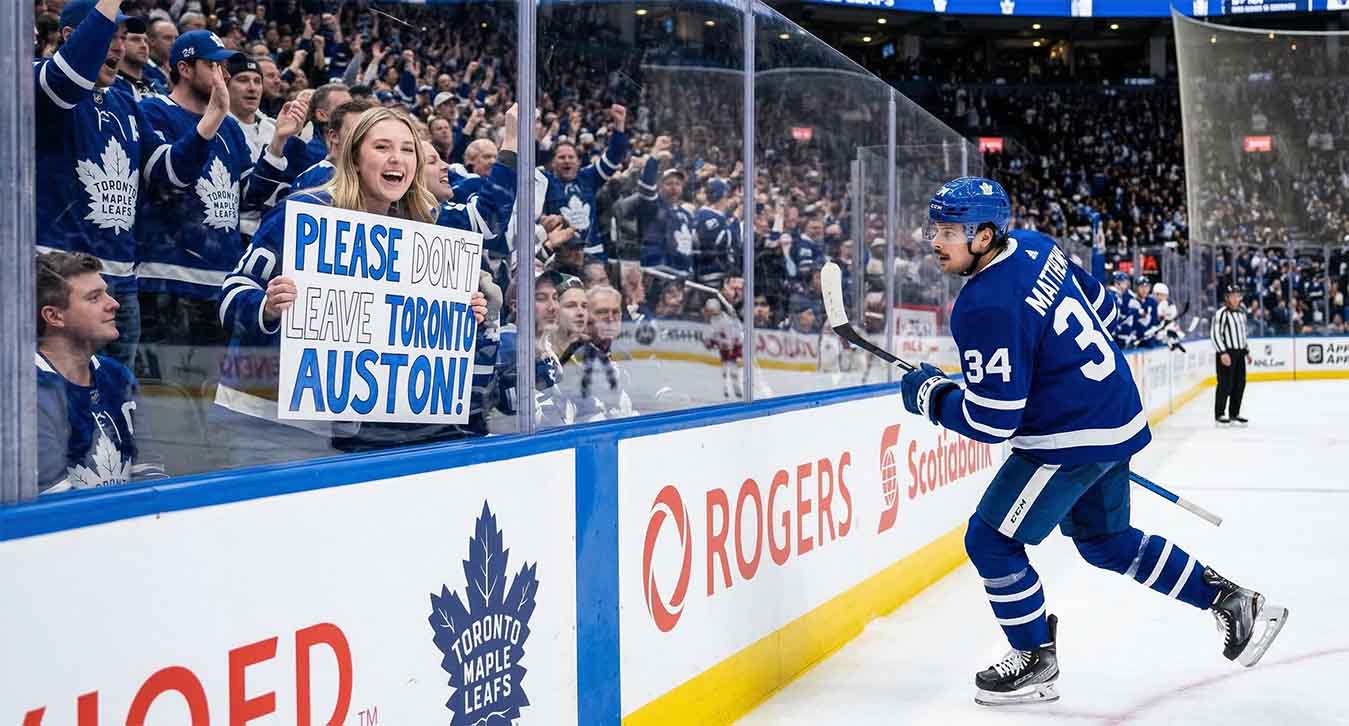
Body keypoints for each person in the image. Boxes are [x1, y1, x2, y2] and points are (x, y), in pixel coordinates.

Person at [898, 177, 1286, 707]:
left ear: (984, 236)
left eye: (948, 231)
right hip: (1116, 414)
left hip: (1069, 436)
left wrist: (932, 397)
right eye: (934, 229)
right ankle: (1232, 600)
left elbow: (993, 420)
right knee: (1106, 542)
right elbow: (1104, 308)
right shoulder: (1037, 245)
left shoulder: (981, 304)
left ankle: (1034, 659)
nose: (935, 242)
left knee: (989, 541)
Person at [216, 107, 489, 466]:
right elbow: (232, 291)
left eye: (408, 149)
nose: (397, 158)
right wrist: (266, 306)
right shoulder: (304, 211)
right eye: (382, 147)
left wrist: (461, 312)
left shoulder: (419, 232)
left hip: (347, 436)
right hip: (266, 422)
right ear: (356, 157)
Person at [35, 0, 217, 368]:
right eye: (110, 36)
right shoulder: (42, 81)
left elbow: (168, 174)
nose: (119, 47)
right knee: (60, 395)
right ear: (71, 36)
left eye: (123, 37)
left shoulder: (125, 101)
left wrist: (210, 121)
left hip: (120, 281)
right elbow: (69, 79)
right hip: (59, 274)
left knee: (117, 396)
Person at [35, 251, 143, 493]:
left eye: (106, 293)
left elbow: (149, 469)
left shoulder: (118, 376)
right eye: (94, 298)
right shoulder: (26, 391)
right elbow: (55, 503)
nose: (113, 304)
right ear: (54, 316)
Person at [1212, 283, 1252, 426]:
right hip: (1227, 353)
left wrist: (1246, 351)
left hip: (1239, 353)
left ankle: (1234, 413)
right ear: (1227, 298)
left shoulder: (1242, 313)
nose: (1235, 299)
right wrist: (1222, 352)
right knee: (1225, 384)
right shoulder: (1221, 313)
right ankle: (1220, 414)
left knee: (1239, 384)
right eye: (1232, 296)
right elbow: (1216, 334)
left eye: (1237, 296)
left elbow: (1243, 334)